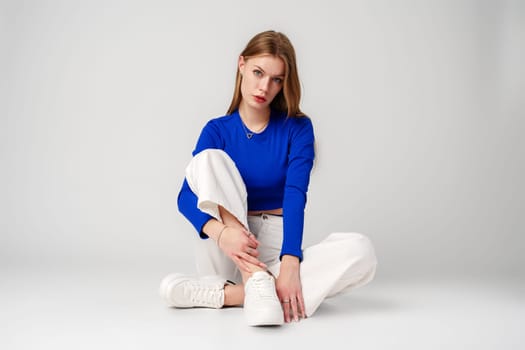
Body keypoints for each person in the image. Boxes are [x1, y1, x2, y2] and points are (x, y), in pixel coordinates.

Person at [159, 30, 377, 326]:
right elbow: (186, 197)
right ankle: (256, 283)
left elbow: (295, 194)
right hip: (227, 241)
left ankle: (229, 294)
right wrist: (224, 234)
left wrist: (290, 261)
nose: (265, 86)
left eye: (277, 79)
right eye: (258, 72)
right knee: (209, 159)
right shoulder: (217, 130)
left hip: (274, 239)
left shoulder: (297, 128)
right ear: (242, 65)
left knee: (361, 252)